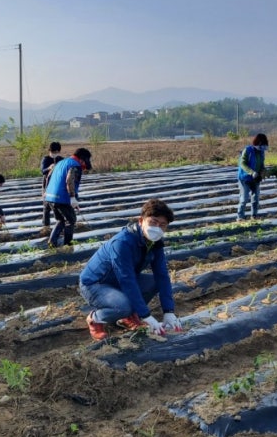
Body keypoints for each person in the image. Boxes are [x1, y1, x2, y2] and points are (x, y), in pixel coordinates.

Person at [79, 198, 183, 341]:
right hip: (96, 284)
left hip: (119, 281)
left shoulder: (155, 243)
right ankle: (95, 319)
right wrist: (146, 316)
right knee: (124, 306)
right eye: (153, 222)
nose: (157, 228)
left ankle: (127, 317)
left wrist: (169, 311)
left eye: (162, 225)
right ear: (141, 221)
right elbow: (127, 280)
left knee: (155, 282)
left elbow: (162, 275)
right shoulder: (122, 243)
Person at [44, 147, 92, 248]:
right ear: (83, 159)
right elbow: (69, 180)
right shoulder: (75, 165)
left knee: (61, 220)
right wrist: (72, 197)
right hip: (62, 197)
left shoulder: (61, 162)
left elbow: (48, 176)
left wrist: (46, 191)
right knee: (71, 220)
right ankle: (68, 245)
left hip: (50, 196)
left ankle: (52, 242)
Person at [237, 133, 269, 221]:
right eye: (261, 145)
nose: (262, 148)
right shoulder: (248, 150)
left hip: (256, 178)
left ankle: (254, 216)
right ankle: (240, 217)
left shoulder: (261, 152)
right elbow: (242, 163)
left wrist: (263, 171)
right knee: (244, 199)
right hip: (245, 178)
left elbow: (261, 164)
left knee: (256, 198)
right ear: (258, 143)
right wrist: (251, 172)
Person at [40, 141, 62, 232]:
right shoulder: (46, 159)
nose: (55, 154)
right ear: (50, 150)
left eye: (57, 152)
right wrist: (49, 168)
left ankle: (60, 223)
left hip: (58, 184)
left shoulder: (61, 159)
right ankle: (46, 226)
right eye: (53, 152)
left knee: (57, 205)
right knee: (47, 206)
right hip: (47, 184)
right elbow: (43, 171)